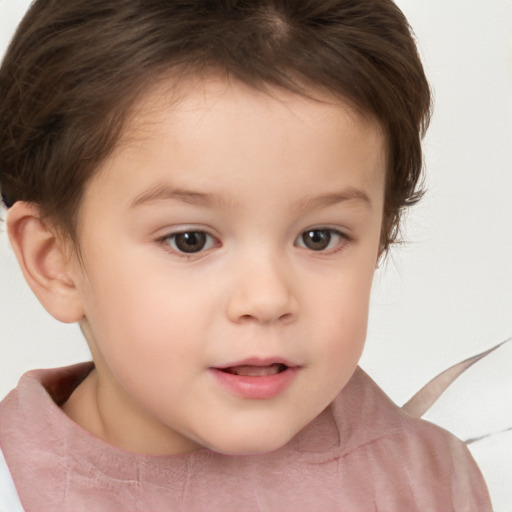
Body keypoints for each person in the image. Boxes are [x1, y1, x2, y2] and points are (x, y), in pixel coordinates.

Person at [0, 0, 492, 510]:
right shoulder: (15, 484)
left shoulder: (425, 484)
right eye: (190, 240)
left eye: (319, 237)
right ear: (53, 260)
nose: (266, 299)